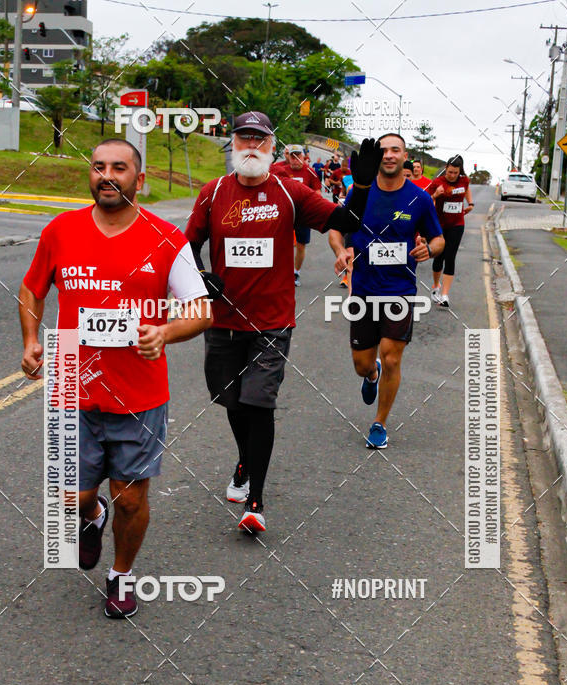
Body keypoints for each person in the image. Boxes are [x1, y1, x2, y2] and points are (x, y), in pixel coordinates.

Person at [19, 138, 211, 618]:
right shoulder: (61, 230)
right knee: (73, 496)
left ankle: (121, 575)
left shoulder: (167, 238)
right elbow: (32, 287)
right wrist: (30, 340)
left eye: (119, 168)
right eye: (99, 166)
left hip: (139, 390)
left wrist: (164, 332)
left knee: (129, 498)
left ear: (138, 179)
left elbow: (201, 310)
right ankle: (92, 515)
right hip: (70, 379)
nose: (107, 175)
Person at [185, 111, 381, 532]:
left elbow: (347, 222)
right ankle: (244, 461)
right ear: (233, 144)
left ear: (272, 146)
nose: (251, 146)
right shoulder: (212, 192)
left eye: (259, 139)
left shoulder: (290, 192)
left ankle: (255, 500)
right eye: (244, 138)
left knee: (259, 404)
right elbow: (188, 245)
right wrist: (200, 276)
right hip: (223, 320)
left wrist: (362, 188)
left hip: (272, 323)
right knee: (232, 402)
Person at [328, 133, 444, 449]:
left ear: (405, 156)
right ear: (376, 157)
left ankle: (379, 423)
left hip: (400, 290)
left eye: (396, 150)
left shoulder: (419, 199)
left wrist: (429, 250)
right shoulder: (359, 192)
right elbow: (336, 229)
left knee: (392, 358)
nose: (390, 155)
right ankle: (371, 375)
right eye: (384, 150)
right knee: (362, 364)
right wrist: (340, 250)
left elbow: (438, 239)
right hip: (364, 291)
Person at [271, 144, 322, 286]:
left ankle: (296, 272)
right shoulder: (282, 171)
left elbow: (318, 193)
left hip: (302, 215)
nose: (295, 159)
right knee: (279, 243)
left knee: (301, 244)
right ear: (288, 157)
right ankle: (279, 271)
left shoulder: (310, 172)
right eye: (292, 156)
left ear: (303, 157)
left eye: (298, 156)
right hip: (285, 214)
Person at [428, 154, 474, 308]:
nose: (452, 175)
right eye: (450, 172)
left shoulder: (464, 180)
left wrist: (470, 204)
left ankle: (445, 295)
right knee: (439, 257)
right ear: (445, 169)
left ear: (460, 171)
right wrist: (435, 195)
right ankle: (436, 285)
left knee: (450, 257)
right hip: (440, 225)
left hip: (457, 224)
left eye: (455, 173)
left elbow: (466, 189)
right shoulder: (438, 182)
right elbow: (426, 200)